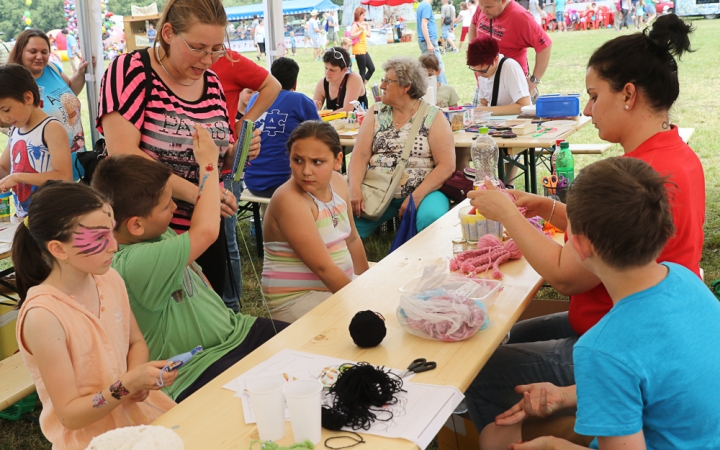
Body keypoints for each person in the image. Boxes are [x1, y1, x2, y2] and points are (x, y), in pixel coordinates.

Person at [465, 15, 704, 447]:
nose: (588, 109)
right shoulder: (675, 156)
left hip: (616, 334)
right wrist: (552, 209)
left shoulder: (644, 170)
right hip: (631, 322)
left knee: (478, 365)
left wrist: (509, 215)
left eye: (594, 96)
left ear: (628, 94)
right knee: (510, 335)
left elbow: (567, 274)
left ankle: (502, 435)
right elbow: (615, 231)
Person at [505, 157, 720, 449]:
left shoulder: (601, 349)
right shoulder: (684, 279)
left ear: (579, 246)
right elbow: (659, 377)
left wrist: (553, 446)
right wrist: (567, 395)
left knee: (495, 435)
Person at [92, 149, 288, 402]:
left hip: (238, 333)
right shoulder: (131, 263)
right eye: (166, 205)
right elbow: (206, 231)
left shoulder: (159, 235)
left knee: (312, 345)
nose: (174, 206)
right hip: (197, 368)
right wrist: (208, 162)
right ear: (136, 225)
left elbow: (199, 279)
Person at [13, 181, 177, 449]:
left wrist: (138, 379)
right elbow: (69, 415)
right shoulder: (44, 316)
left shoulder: (110, 279)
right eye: (99, 239)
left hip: (142, 420)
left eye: (110, 233)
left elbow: (136, 341)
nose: (113, 246)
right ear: (58, 249)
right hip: (92, 441)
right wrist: (126, 385)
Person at [97, 0, 241, 299]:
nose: (208, 59)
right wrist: (200, 194)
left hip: (206, 227)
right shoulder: (132, 70)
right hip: (148, 234)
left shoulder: (211, 82)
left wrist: (233, 154)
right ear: (168, 33)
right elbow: (123, 154)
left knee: (209, 317)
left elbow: (212, 151)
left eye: (217, 49)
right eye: (199, 47)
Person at [261, 121, 369, 323]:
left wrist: (365, 283)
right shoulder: (289, 199)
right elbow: (323, 269)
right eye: (298, 160)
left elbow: (352, 239)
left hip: (334, 287)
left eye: (317, 162)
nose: (306, 171)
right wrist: (362, 304)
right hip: (296, 298)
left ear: (337, 160)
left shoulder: (337, 183)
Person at [348, 57, 455, 239]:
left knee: (431, 219)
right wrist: (355, 188)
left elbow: (446, 166)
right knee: (343, 229)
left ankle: (423, 262)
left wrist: (416, 197)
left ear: (406, 86)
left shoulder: (433, 116)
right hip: (377, 189)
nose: (381, 85)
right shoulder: (375, 112)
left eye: (387, 81)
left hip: (424, 190)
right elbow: (359, 155)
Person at [211, 49, 280, 311]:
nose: (209, 53)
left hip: (225, 167)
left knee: (226, 239)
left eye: (215, 46)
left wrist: (244, 120)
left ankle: (231, 307)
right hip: (193, 167)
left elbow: (271, 84)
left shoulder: (229, 58)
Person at [0, 64, 73, 217]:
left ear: (28, 97)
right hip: (24, 217)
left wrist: (17, 177)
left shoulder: (51, 128)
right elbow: (4, 168)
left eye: (6, 110)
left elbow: (64, 177)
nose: (3, 118)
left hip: (50, 218)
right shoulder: (15, 130)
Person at [246, 57, 321, 198]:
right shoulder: (300, 100)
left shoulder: (255, 98)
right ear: (295, 83)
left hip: (252, 181)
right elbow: (323, 134)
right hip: (284, 181)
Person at [9, 29, 89, 153]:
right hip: (46, 162)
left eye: (44, 52)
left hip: (78, 157)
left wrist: (81, 73)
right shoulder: (13, 82)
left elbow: (70, 89)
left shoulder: (51, 68)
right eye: (33, 51)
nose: (39, 57)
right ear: (20, 52)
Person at [468, 0, 552, 94]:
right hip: (483, 88)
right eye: (481, 6)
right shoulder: (484, 5)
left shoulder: (520, 16)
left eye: (488, 7)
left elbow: (545, 45)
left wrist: (534, 80)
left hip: (512, 90)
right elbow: (474, 22)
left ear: (503, 1)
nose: (483, 11)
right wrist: (474, 49)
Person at [468, 37, 531, 115]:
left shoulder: (510, 67)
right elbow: (483, 103)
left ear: (495, 59)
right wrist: (476, 110)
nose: (479, 75)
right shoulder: (483, 72)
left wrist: (486, 110)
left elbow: (524, 106)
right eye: (475, 70)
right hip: (496, 123)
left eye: (483, 71)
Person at [313, 47, 369, 112]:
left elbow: (347, 111)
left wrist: (325, 115)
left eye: (332, 70)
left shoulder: (354, 78)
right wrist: (315, 107)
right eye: (326, 68)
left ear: (345, 70)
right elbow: (311, 110)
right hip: (333, 121)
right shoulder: (322, 83)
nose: (327, 73)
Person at [417, 0, 448, 84]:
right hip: (429, 40)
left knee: (427, 67)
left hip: (425, 40)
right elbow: (424, 25)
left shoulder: (421, 5)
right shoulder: (426, 6)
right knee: (437, 66)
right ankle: (444, 88)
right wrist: (429, 43)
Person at [350, 8, 375, 86]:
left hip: (364, 50)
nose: (364, 17)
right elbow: (351, 36)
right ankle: (361, 90)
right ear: (359, 15)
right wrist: (361, 30)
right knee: (362, 71)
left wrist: (367, 25)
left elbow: (369, 35)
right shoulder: (355, 24)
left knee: (371, 68)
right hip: (358, 50)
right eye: (363, 15)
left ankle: (362, 87)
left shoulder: (361, 25)